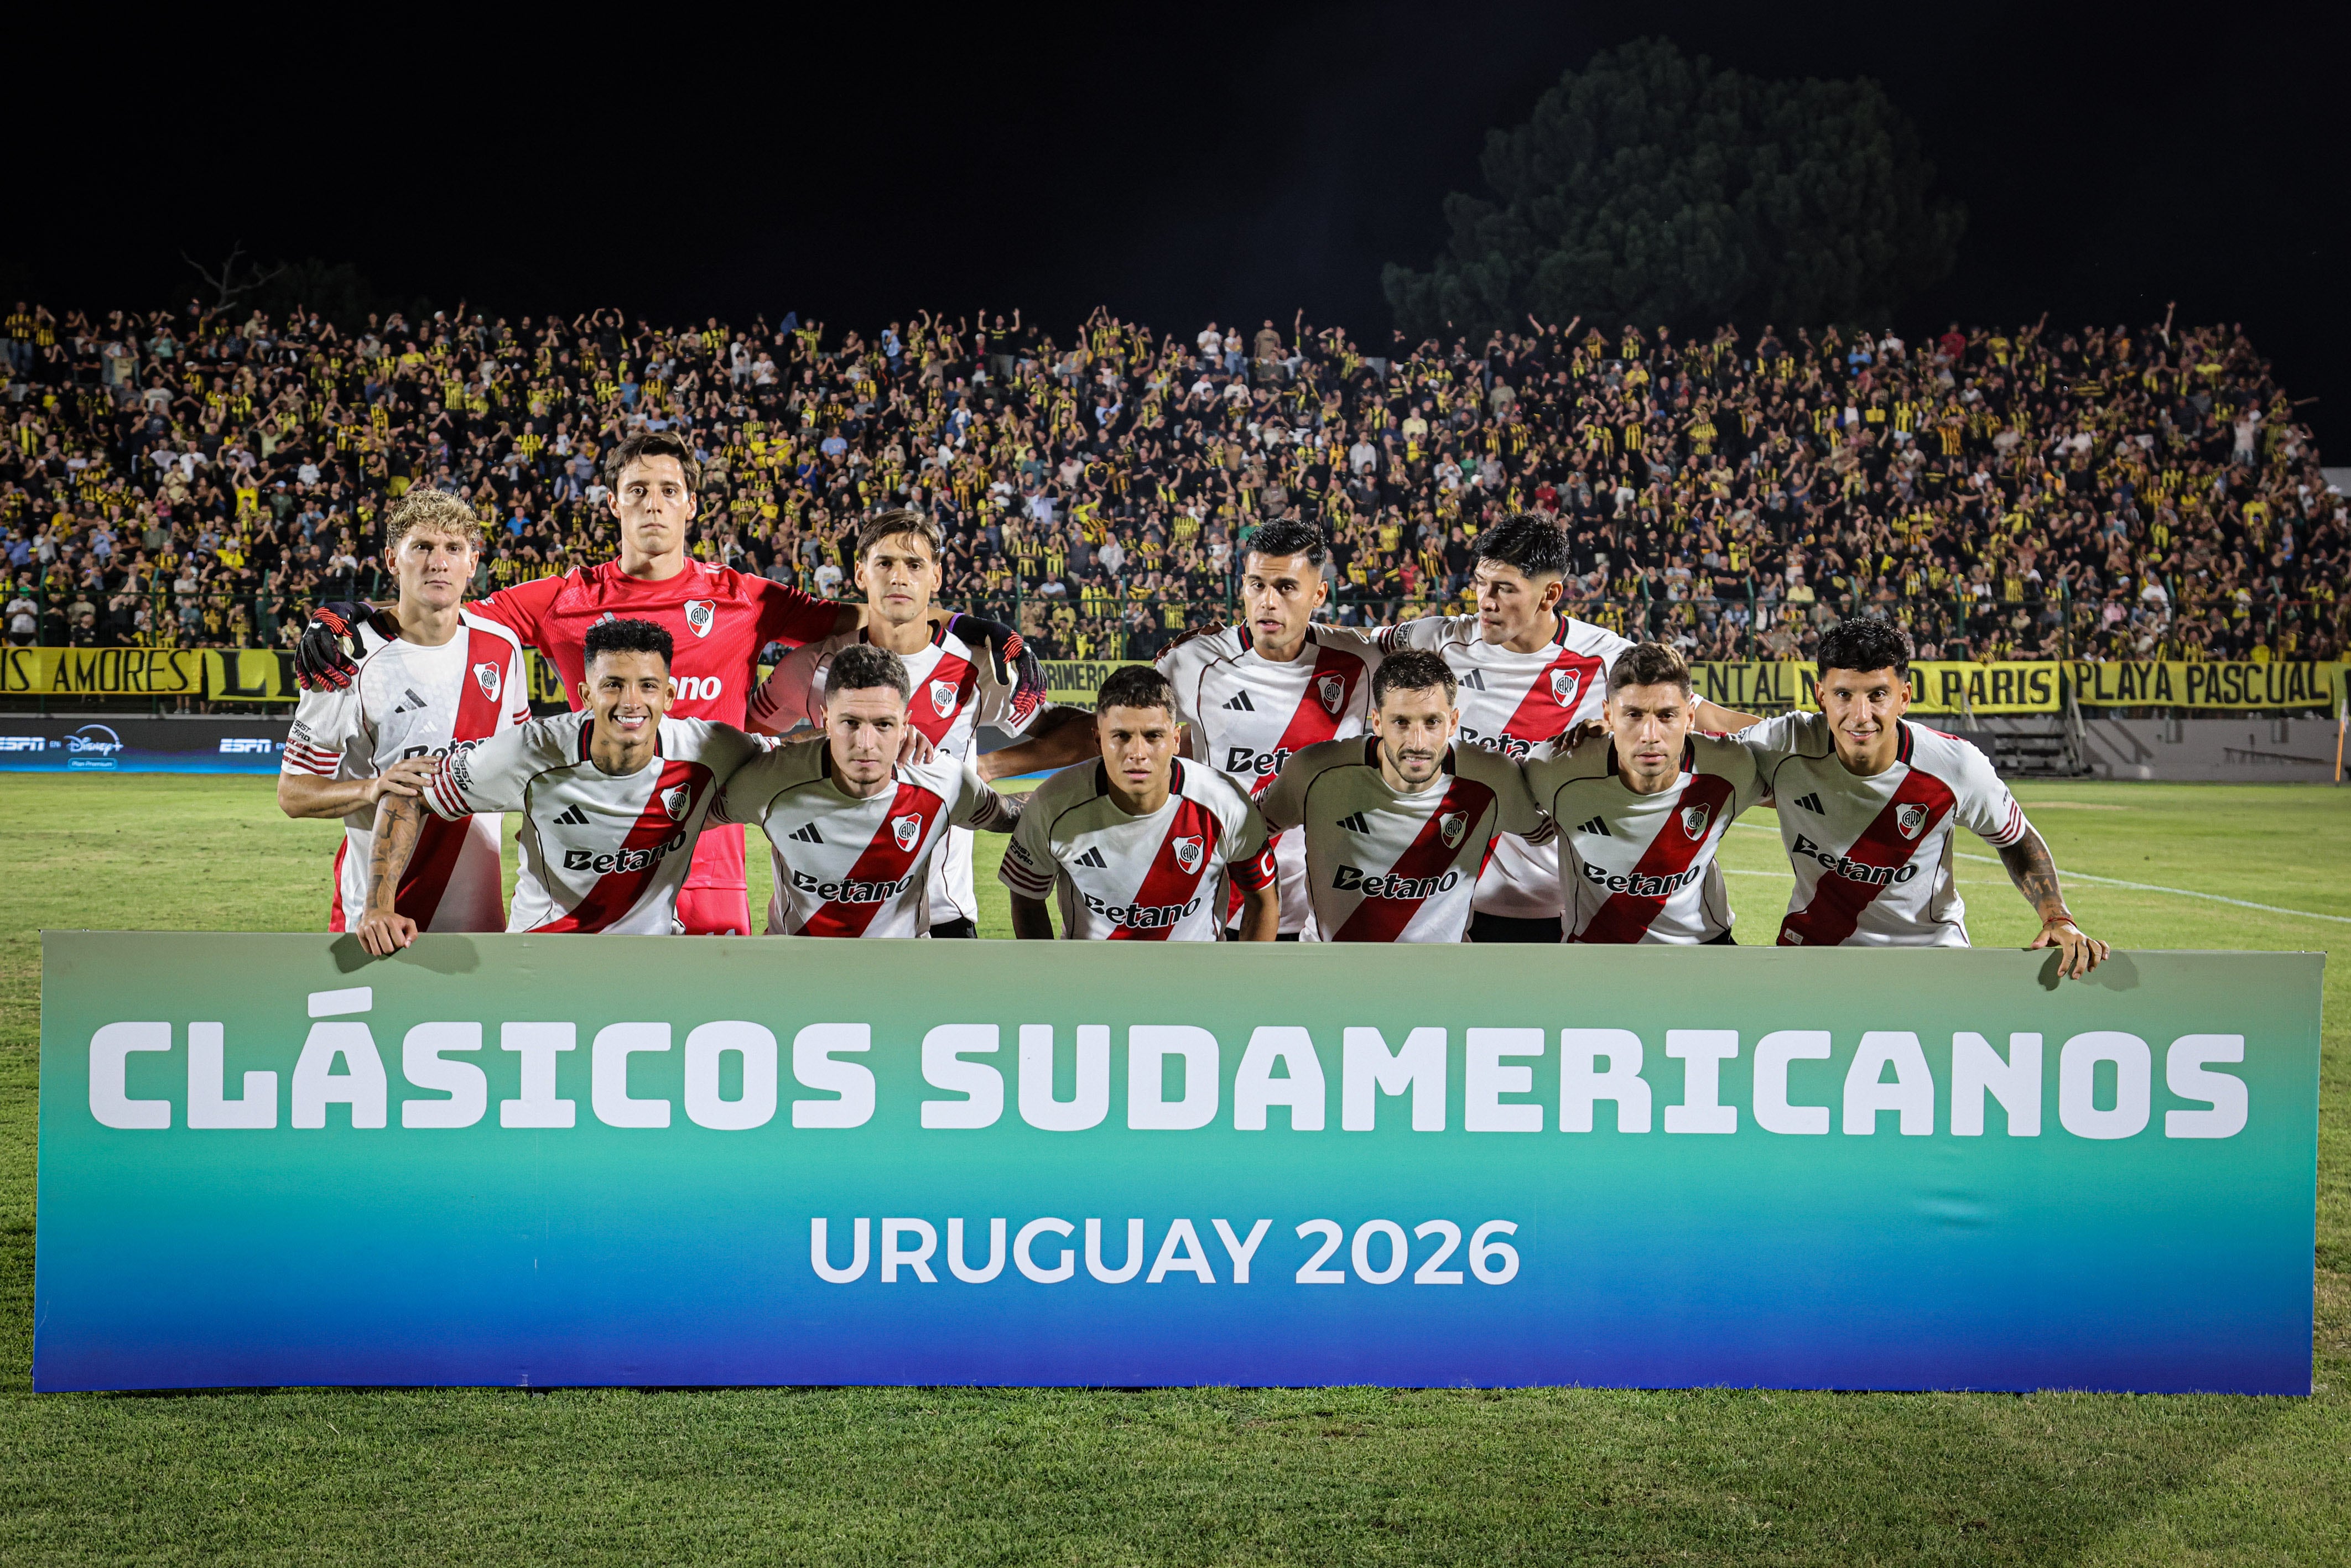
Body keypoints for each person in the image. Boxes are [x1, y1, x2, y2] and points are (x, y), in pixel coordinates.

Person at [300, 430, 1037, 937]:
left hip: (710, 866)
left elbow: (882, 608)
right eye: (636, 489)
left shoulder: (743, 595)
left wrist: (975, 627)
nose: (653, 502)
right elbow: (440, 612)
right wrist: (350, 618)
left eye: (668, 489)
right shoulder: (560, 597)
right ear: (612, 503)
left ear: (691, 505)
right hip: (587, 855)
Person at [1378, 513, 1754, 943]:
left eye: (1504, 588)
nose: (1485, 599)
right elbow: (1349, 645)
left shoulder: (1606, 658)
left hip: (1567, 909)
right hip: (1466, 904)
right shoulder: (1439, 642)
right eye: (1481, 582)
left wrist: (1828, 736)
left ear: (1550, 594)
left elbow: (1712, 720)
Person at [742, 507, 1081, 937]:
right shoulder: (813, 668)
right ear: (862, 574)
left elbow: (1082, 736)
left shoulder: (977, 666)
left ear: (935, 578)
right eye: (884, 563)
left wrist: (988, 768)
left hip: (941, 914)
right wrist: (800, 747)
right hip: (826, 914)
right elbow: (740, 741)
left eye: (914, 565)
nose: (899, 577)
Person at [355, 618, 762, 951]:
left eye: (648, 685)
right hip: (541, 958)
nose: (631, 701)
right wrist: (377, 907)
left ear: (669, 695)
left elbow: (792, 764)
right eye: (613, 684)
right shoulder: (531, 752)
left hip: (649, 962)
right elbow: (405, 795)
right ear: (586, 694)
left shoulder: (708, 750)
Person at [1736, 618, 2108, 973]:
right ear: (1821, 696)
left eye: (1878, 695)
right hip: (1815, 953)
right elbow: (1705, 757)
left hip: (1930, 955)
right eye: (1844, 695)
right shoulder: (1784, 746)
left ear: (1905, 697)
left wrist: (2057, 916)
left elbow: (2016, 838)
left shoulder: (1954, 765)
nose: (1861, 714)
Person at [277, 490, 529, 933]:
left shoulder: (502, 647)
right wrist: (373, 788)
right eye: (422, 547)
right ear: (393, 560)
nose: (438, 562)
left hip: (478, 920)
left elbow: (521, 766)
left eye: (454, 548)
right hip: (377, 916)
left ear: (473, 563)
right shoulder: (345, 657)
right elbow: (293, 793)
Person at [716, 643, 1023, 937]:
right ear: (826, 720)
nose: (866, 743)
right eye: (850, 723)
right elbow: (692, 812)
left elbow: (1012, 814)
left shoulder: (943, 782)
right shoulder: (772, 780)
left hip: (900, 974)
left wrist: (1067, 795)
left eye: (884, 725)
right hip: (798, 971)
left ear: (906, 725)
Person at [1258, 649, 1550, 942]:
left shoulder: (1493, 778)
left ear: (1453, 721)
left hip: (1440, 975)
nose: (1417, 742)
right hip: (1330, 971)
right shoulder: (1314, 771)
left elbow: (1546, 831)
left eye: (1432, 722)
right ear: (1377, 722)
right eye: (1401, 722)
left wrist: (1576, 751)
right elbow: (1245, 827)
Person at [1001, 664, 1278, 941]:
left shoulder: (1225, 802)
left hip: (1198, 981)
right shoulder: (1053, 804)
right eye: (1121, 736)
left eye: (1153, 736)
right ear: (1098, 742)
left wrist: (1244, 980)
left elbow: (1263, 901)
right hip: (1089, 981)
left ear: (1176, 740)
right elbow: (1026, 901)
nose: (1137, 753)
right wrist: (1049, 976)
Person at [1523, 641, 1761, 943]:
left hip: (1703, 952)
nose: (1650, 736)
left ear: (1690, 719)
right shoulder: (1556, 770)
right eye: (1634, 715)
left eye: (1666, 716)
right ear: (1608, 717)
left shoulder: (1731, 767)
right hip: (1594, 954)